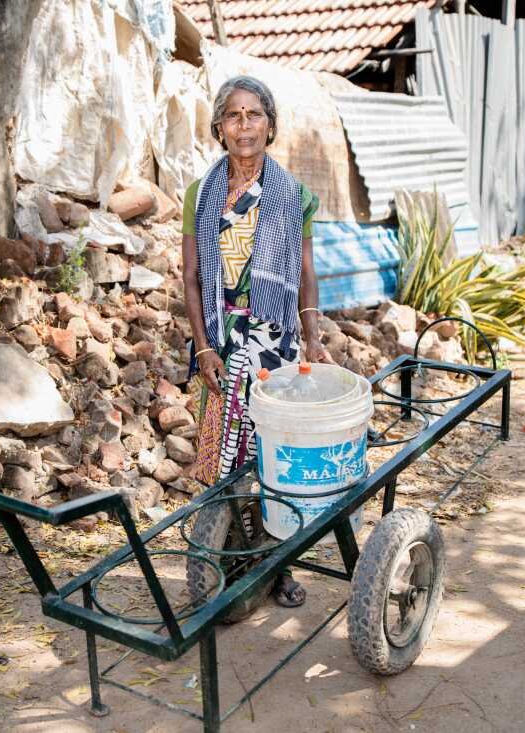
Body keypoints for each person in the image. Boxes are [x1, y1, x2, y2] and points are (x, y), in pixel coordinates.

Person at [181, 75, 331, 608]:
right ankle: (231, 554)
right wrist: (202, 347)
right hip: (222, 341)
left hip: (274, 342)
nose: (244, 125)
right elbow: (193, 279)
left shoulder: (295, 196)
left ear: (270, 124)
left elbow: (307, 274)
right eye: (233, 116)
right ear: (219, 128)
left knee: (273, 455)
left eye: (254, 115)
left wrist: (311, 337)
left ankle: (279, 564)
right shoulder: (201, 194)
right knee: (226, 459)